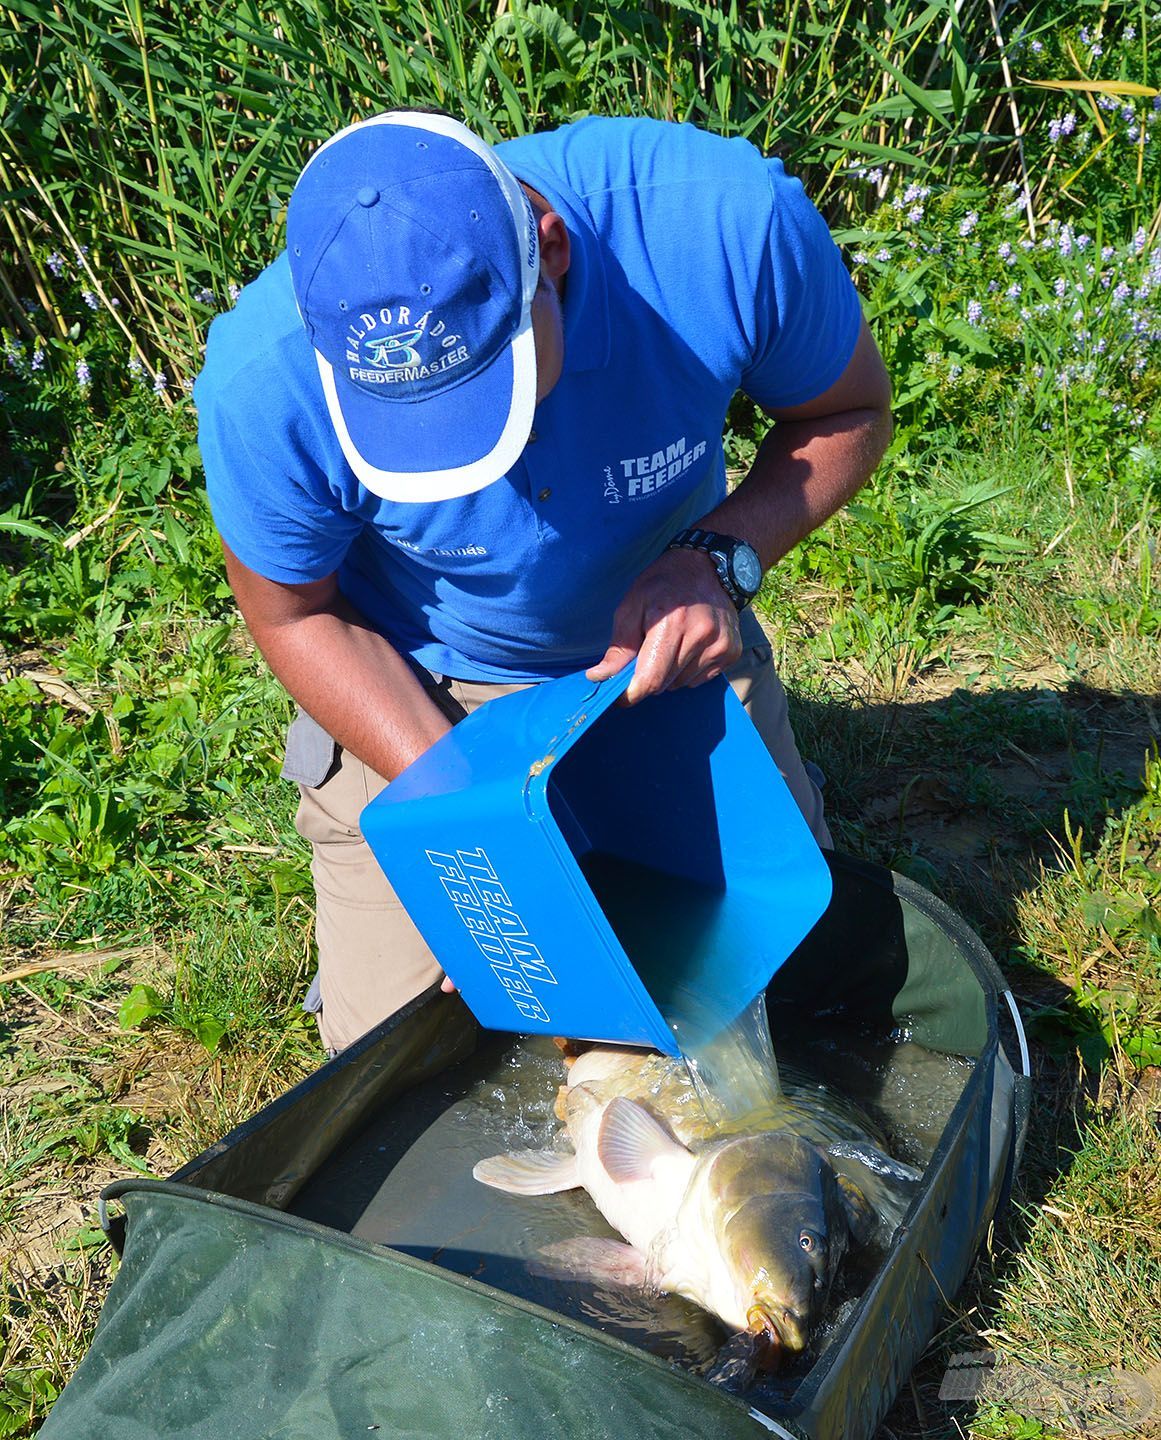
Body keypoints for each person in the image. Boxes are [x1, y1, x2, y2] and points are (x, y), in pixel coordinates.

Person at [194, 111, 892, 1055]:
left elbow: (848, 411)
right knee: (407, 1063)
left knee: (764, 991)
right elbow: (295, 613)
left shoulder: (718, 223)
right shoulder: (262, 382)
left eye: (493, 390)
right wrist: (474, 814)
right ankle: (383, 915)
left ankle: (700, 793)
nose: (481, 459)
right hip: (421, 688)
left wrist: (717, 561)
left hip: (663, 656)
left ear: (550, 255)